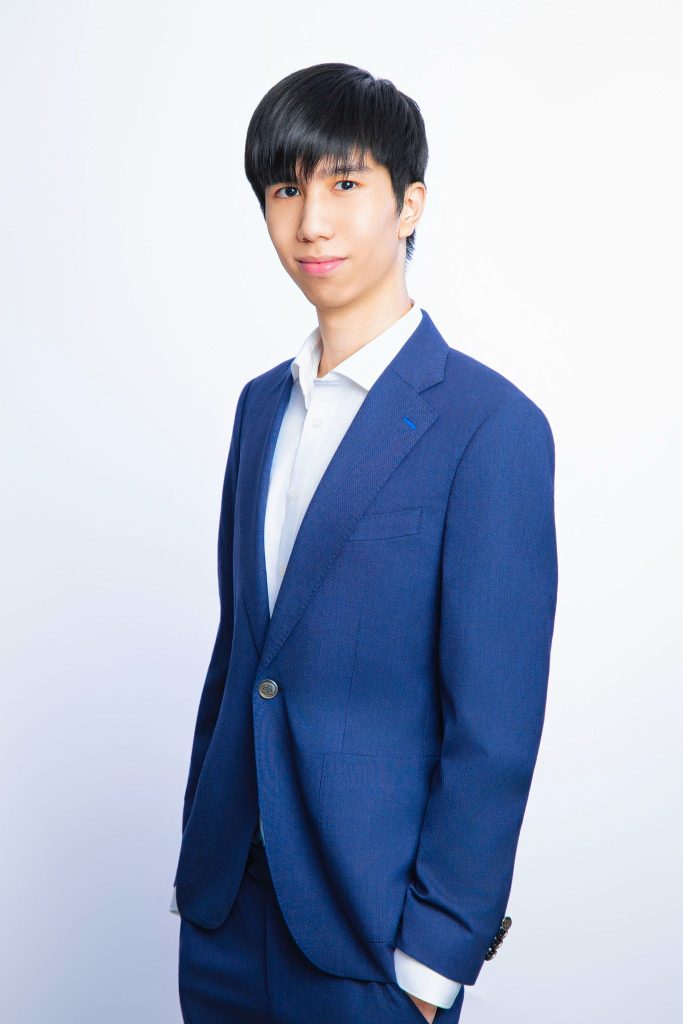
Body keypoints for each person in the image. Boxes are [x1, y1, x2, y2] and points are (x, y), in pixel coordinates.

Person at [170, 62, 558, 1024]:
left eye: (344, 183)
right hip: (223, 925)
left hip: (370, 945)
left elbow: (494, 727)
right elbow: (241, 659)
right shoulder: (259, 409)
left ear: (408, 204)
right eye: (284, 189)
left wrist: (433, 963)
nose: (311, 221)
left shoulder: (489, 426)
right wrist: (196, 868)